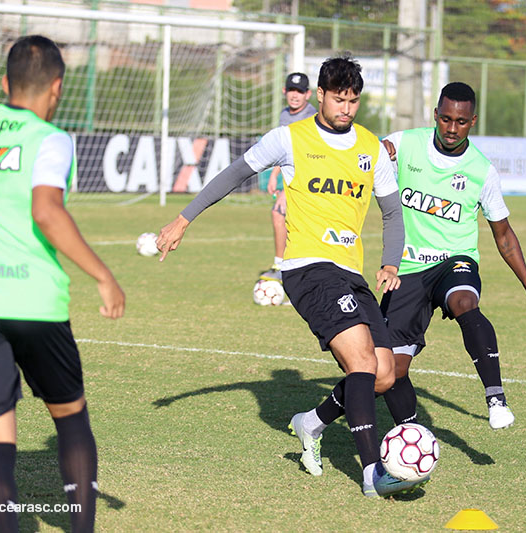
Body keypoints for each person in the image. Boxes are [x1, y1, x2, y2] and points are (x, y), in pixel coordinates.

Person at [155, 55, 422, 498]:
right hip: (307, 269)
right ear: (321, 95)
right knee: (361, 362)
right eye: (339, 99)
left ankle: (311, 423)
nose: (347, 109)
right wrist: (184, 219)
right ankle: (373, 473)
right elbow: (233, 173)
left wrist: (390, 262)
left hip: (350, 273)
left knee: (386, 373)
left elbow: (392, 212)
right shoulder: (290, 138)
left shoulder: (370, 148)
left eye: (354, 101)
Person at [288, 82, 526, 472]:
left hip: (454, 262)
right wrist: (382, 149)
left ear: (472, 122)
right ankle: (317, 422)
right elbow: (361, 151)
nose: (451, 127)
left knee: (465, 302)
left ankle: (495, 398)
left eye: (461, 122)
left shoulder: (482, 171)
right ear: (435, 115)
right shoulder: (404, 144)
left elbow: (503, 233)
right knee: (387, 373)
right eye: (445, 118)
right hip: (406, 271)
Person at [0, 35, 125, 532]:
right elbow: (46, 210)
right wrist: (103, 276)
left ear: (3, 83)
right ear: (57, 88)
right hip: (33, 302)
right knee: (69, 417)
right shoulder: (49, 137)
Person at [259, 72, 317, 282]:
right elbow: (285, 151)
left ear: (308, 94)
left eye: (300, 92)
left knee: (282, 215)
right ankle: (282, 266)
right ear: (284, 91)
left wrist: (287, 189)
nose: (295, 95)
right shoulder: (285, 115)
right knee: (280, 215)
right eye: (291, 90)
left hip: (312, 180)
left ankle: (287, 269)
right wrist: (275, 175)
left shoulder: (311, 117)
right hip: (293, 179)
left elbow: (311, 157)